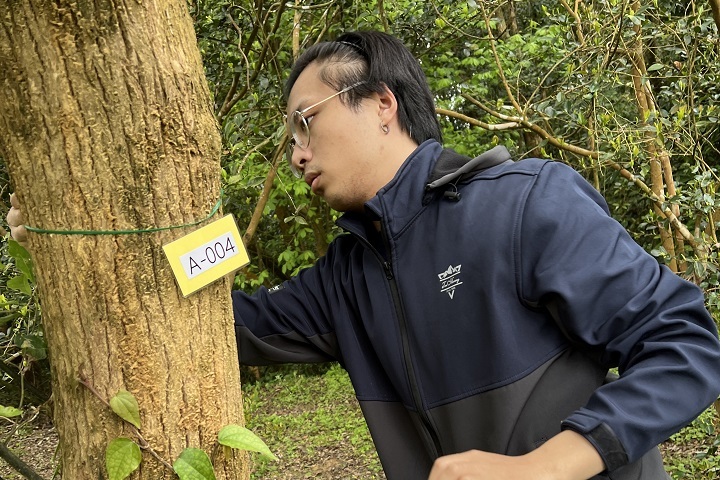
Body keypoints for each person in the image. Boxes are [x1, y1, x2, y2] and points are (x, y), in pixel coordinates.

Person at [8, 31, 720, 480]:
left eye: (305, 122)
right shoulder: (345, 276)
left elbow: (688, 343)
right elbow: (216, 316)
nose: (295, 153)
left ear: (382, 104)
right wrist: (72, 238)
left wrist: (545, 466)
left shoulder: (525, 202)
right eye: (289, 137)